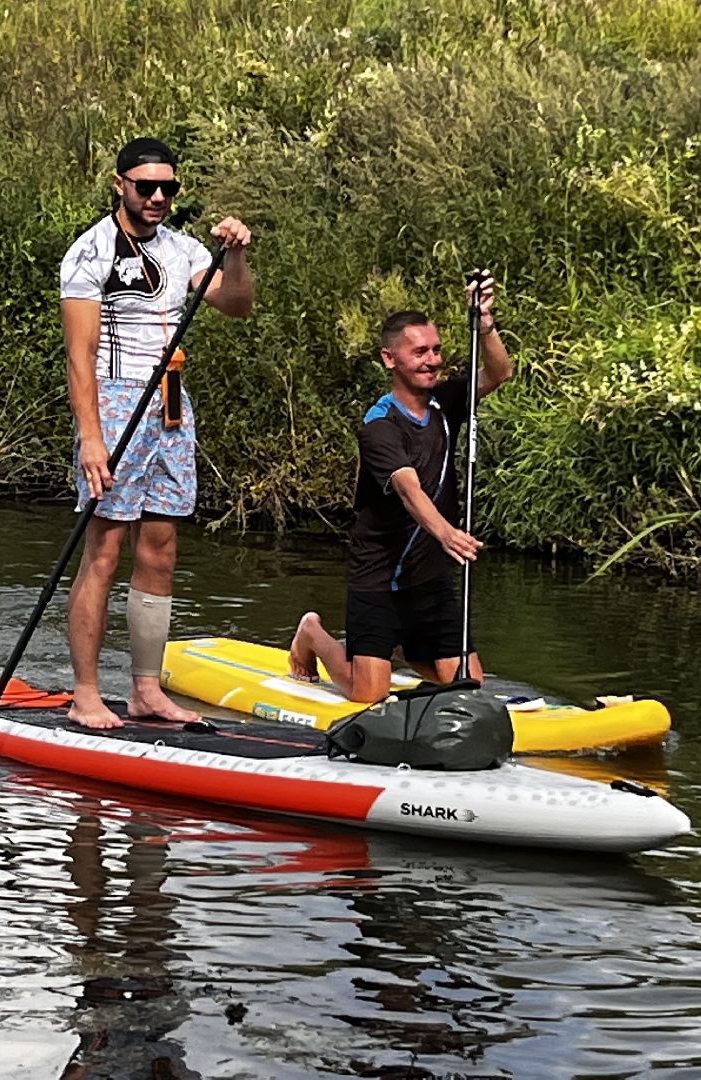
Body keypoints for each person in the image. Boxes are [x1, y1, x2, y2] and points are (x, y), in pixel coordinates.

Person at [59, 136, 253, 729]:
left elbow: (236, 304)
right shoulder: (90, 253)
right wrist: (91, 438)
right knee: (105, 550)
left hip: (170, 402)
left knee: (161, 549)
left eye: (169, 187)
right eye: (147, 187)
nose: (159, 197)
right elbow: (79, 356)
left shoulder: (183, 248)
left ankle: (145, 689)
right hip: (116, 403)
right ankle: (85, 692)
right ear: (119, 185)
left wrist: (236, 254)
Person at [288, 276, 514, 702]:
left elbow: (499, 372)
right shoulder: (379, 426)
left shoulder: (445, 402)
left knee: (471, 692)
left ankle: (411, 650)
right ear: (390, 359)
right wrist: (448, 533)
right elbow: (409, 491)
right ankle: (312, 633)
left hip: (428, 577)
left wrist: (483, 323)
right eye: (420, 352)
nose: (433, 360)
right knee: (368, 695)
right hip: (378, 575)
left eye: (437, 350)